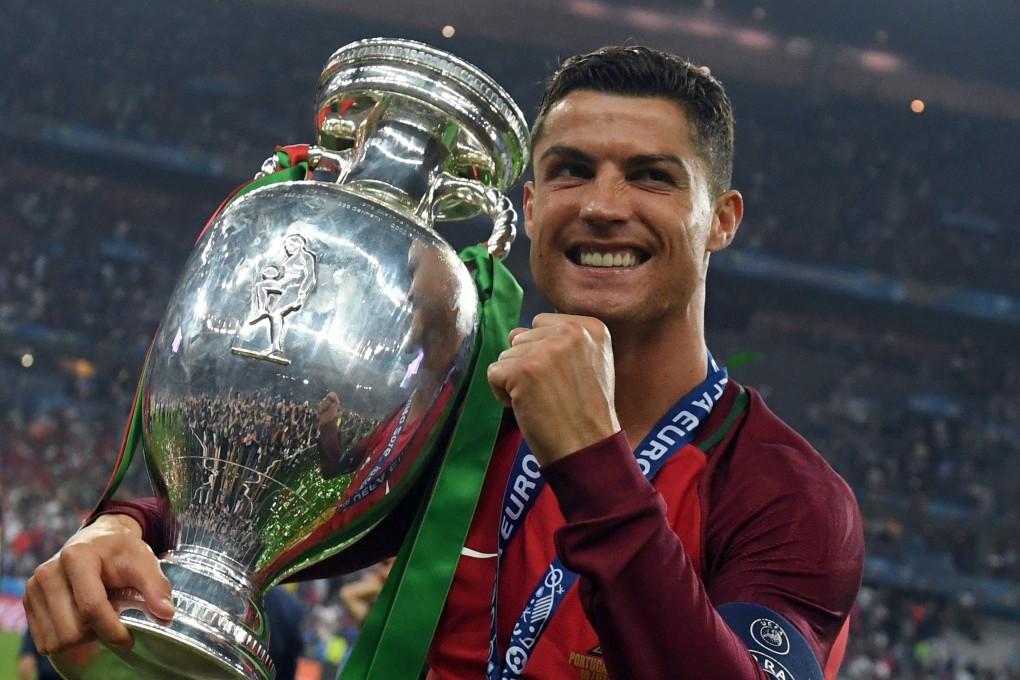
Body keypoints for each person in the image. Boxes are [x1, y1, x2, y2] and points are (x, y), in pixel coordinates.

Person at [23, 45, 864, 679]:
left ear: (722, 219)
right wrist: (121, 528)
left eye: (651, 177)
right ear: (530, 205)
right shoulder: (461, 414)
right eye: (571, 172)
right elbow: (255, 509)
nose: (603, 206)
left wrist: (593, 464)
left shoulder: (784, 493)